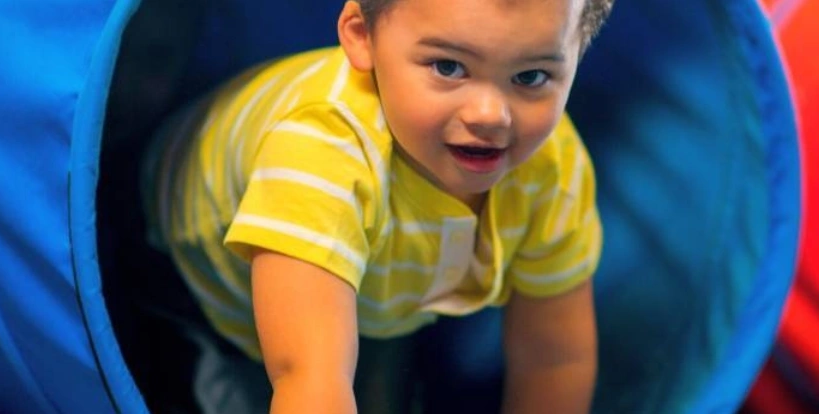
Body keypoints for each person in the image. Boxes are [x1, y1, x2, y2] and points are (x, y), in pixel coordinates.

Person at [139, 1, 613, 412]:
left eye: (531, 76)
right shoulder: (322, 155)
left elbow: (554, 357)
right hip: (186, 275)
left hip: (376, 286)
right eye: (448, 67)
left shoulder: (553, 166)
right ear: (362, 36)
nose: (490, 115)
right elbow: (306, 378)